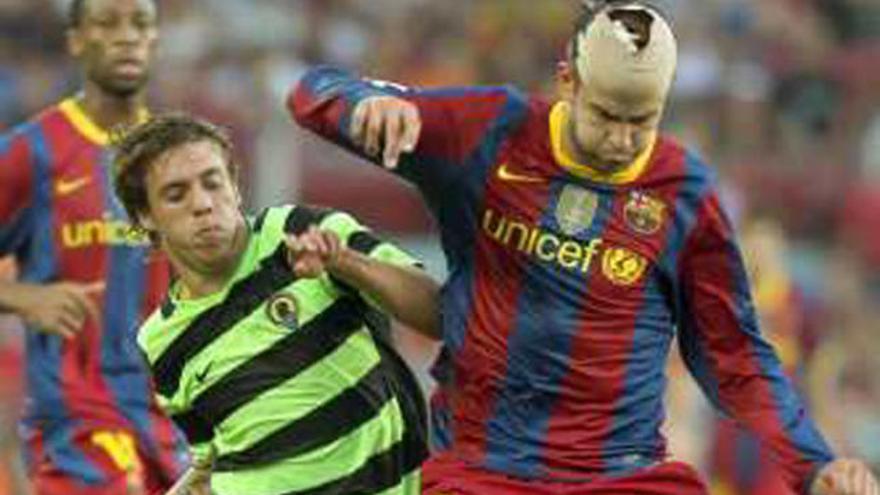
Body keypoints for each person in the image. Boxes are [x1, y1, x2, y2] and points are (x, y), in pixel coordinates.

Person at [288, 1, 880, 494]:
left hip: (622, 476)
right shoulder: (490, 131)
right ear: (567, 79)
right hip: (480, 471)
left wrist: (815, 463)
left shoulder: (686, 195)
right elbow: (311, 93)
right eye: (605, 115)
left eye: (641, 120)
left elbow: (735, 355)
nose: (622, 140)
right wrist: (363, 105)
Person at [111, 113, 439, 495]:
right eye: (176, 194)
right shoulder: (159, 342)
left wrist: (345, 263)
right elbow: (214, 460)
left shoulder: (302, 232)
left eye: (212, 183)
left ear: (234, 186)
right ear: (145, 217)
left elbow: (438, 313)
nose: (202, 203)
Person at [0, 1, 186, 493]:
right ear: (76, 39)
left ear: (156, 39)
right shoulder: (33, 150)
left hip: (173, 427)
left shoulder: (179, 157)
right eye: (107, 23)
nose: (127, 36)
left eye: (140, 24)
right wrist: (22, 297)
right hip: (78, 422)